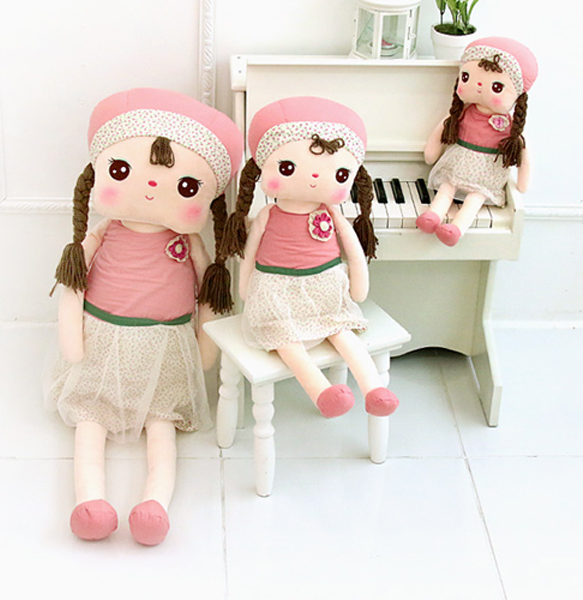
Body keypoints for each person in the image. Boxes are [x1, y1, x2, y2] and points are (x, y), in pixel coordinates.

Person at [45, 88, 242, 545]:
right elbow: (74, 286)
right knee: (91, 421)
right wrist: (71, 338)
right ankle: (89, 501)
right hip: (103, 343)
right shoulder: (102, 233)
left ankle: (154, 504)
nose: (152, 188)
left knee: (161, 426)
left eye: (186, 187)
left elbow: (208, 292)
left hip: (165, 348)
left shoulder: (189, 242)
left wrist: (205, 345)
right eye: (122, 171)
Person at [220, 96, 399, 419]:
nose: (314, 179)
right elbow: (250, 252)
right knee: (286, 341)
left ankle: (373, 388)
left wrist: (358, 287)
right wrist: (245, 288)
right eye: (288, 168)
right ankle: (321, 392)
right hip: (276, 294)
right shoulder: (267, 215)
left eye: (339, 174)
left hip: (324, 288)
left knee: (341, 331)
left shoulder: (332, 213)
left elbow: (354, 251)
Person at [418, 37, 538, 246]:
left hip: (486, 174)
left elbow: (524, 154)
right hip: (457, 164)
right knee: (447, 188)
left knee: (475, 199)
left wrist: (522, 183)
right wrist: (431, 152)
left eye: (497, 87)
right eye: (466, 77)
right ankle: (433, 215)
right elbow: (442, 130)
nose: (479, 86)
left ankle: (456, 228)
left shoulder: (510, 127)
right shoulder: (462, 113)